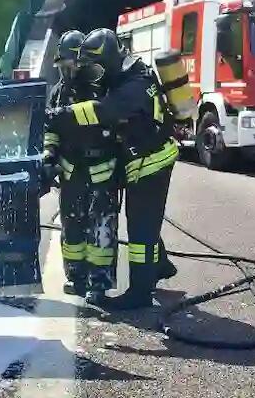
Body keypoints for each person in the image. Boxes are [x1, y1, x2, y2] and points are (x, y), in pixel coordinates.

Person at [47, 28, 178, 309]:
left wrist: (59, 116)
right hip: (142, 160)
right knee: (146, 223)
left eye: (95, 67)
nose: (91, 74)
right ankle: (160, 266)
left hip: (150, 164)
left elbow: (102, 111)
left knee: (140, 232)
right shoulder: (127, 76)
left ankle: (139, 294)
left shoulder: (131, 87)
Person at [43, 30, 121, 302]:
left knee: (101, 229)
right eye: (63, 65)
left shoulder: (102, 88)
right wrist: (49, 156)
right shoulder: (58, 92)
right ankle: (75, 276)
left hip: (101, 170)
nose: (67, 71)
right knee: (71, 227)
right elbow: (51, 129)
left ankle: (98, 283)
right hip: (71, 171)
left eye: (71, 65)